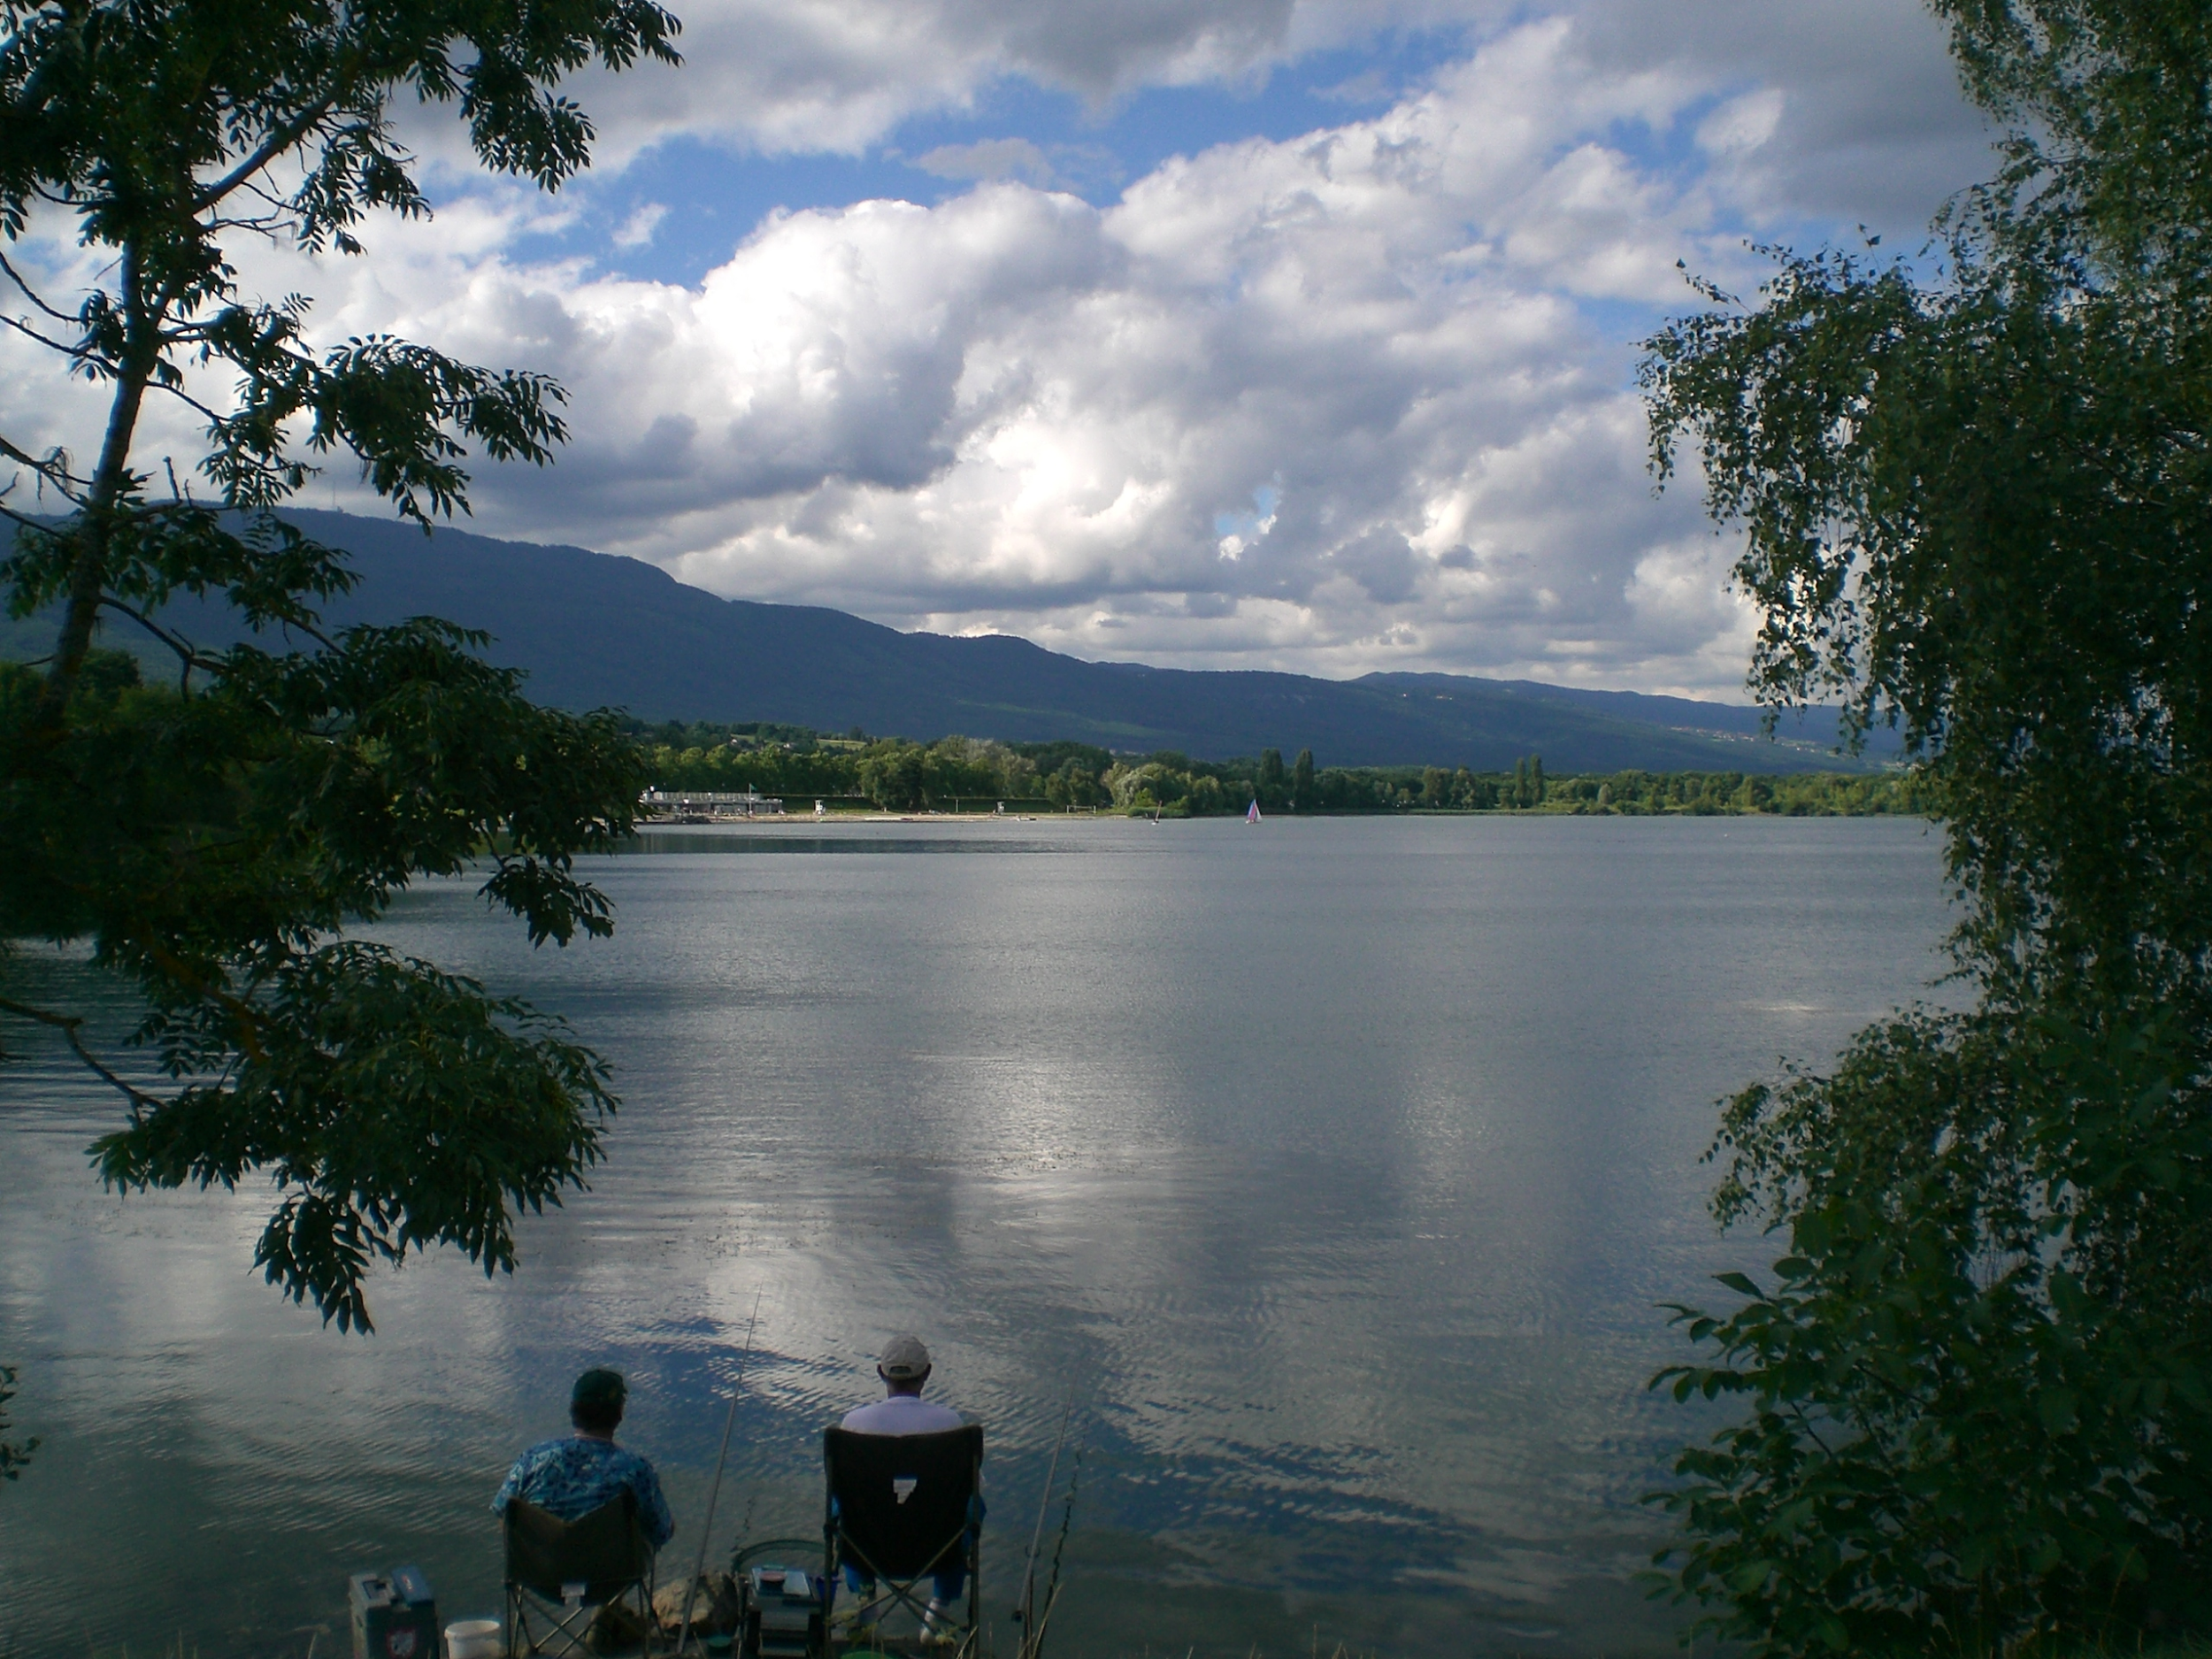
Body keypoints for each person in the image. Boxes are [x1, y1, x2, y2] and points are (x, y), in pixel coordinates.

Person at [838, 1335, 971, 1623]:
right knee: (969, 1509)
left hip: (867, 1547)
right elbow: (973, 1493)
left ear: (880, 1372)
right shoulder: (951, 1426)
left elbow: (838, 1494)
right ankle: (937, 1613)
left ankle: (866, 1606)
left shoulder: (854, 1425)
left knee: (843, 1508)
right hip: (938, 1549)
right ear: (928, 1373)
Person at [493, 1367, 675, 1550]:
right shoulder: (636, 1470)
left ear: (573, 1409)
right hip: (614, 1576)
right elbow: (661, 1532)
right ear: (619, 1413)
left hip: (539, 1576)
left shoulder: (532, 1459)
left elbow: (503, 1513)